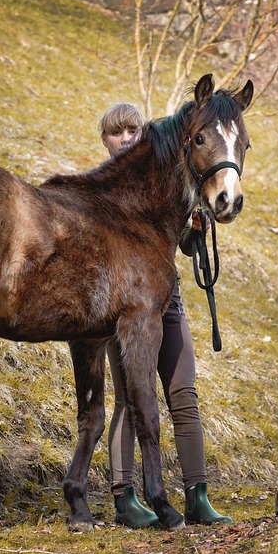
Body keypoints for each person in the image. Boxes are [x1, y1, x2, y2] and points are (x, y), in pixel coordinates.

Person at [99, 103, 233, 528]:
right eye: (115, 133)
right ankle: (125, 499)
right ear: (104, 140)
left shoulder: (170, 181)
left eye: (132, 131)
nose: (124, 139)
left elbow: (188, 249)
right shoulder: (100, 187)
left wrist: (195, 227)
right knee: (126, 400)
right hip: (118, 308)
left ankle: (198, 494)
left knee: (184, 395)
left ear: (145, 135)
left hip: (165, 302)